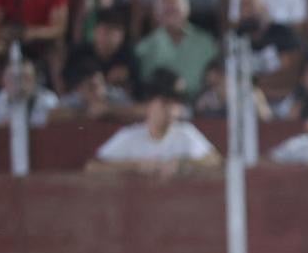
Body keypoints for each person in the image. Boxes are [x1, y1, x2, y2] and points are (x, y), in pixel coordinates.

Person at [87, 69, 221, 176]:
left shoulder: (185, 133)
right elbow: (93, 167)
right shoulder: (130, 136)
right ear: (149, 104)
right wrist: (135, 166)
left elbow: (216, 162)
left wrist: (183, 164)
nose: (171, 110)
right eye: (165, 103)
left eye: (175, 104)